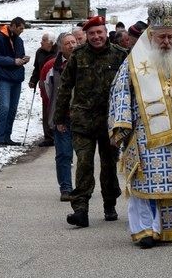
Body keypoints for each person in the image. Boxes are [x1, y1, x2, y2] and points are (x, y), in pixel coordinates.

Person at [109, 1, 172, 248]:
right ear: (151, 35)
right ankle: (144, 230)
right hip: (144, 134)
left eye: (170, 36)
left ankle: (166, 230)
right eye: (161, 37)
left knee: (171, 183)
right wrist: (122, 124)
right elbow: (120, 91)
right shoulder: (133, 62)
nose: (166, 42)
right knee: (145, 182)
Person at [54, 16, 128, 228]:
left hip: (110, 123)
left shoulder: (120, 55)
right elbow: (65, 87)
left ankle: (109, 203)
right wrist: (59, 117)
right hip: (83, 121)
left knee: (108, 165)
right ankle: (81, 209)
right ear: (86, 35)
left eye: (100, 32)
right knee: (84, 164)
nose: (96, 37)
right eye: (92, 33)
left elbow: (128, 89)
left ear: (106, 33)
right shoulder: (78, 56)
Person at [41, 32, 78, 201]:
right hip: (62, 117)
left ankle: (83, 187)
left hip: (83, 117)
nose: (72, 45)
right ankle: (66, 188)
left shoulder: (84, 61)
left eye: (74, 42)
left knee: (84, 155)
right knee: (63, 154)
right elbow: (48, 91)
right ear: (60, 47)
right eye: (67, 43)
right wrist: (57, 112)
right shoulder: (51, 66)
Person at [0, 16, 29, 148]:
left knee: (12, 109)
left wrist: (23, 59)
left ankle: (7, 137)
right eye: (21, 28)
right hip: (4, 78)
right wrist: (12, 61)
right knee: (5, 107)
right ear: (13, 26)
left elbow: (19, 56)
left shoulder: (19, 40)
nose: (22, 31)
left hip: (16, 78)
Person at [29, 31, 57, 147]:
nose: (41, 42)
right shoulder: (39, 52)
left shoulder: (58, 51)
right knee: (46, 109)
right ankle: (48, 137)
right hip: (43, 84)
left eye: (44, 40)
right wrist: (33, 80)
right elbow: (37, 68)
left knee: (56, 108)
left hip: (56, 83)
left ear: (50, 43)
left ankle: (59, 134)